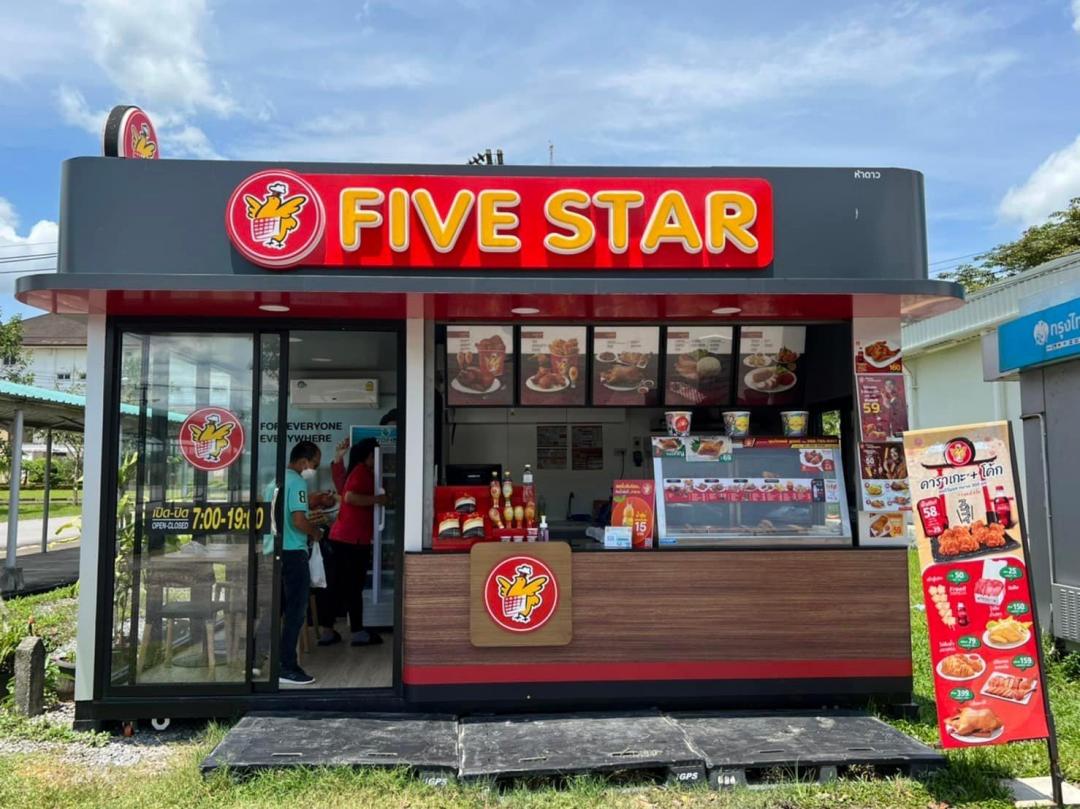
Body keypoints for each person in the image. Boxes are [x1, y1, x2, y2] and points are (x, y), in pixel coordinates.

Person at [319, 437, 387, 647]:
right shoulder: (362, 472)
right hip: (353, 539)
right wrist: (378, 500)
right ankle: (357, 632)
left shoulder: (356, 471)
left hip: (341, 537)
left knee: (336, 585)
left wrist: (338, 459)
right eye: (375, 455)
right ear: (370, 456)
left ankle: (327, 631)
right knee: (353, 586)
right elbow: (349, 497)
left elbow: (342, 489)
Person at [277, 441, 331, 685]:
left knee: (274, 610)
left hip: (274, 551)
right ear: (303, 462)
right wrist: (315, 533)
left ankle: (259, 661)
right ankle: (286, 666)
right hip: (293, 552)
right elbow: (298, 520)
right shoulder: (297, 482)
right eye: (315, 465)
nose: (314, 469)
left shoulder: (276, 481)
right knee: (296, 612)